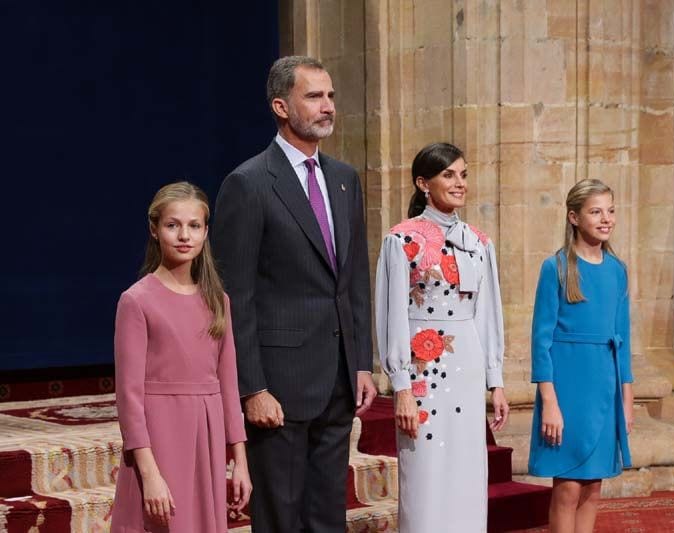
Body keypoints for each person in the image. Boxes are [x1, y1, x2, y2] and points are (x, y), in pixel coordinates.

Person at [211, 55, 377, 532]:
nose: (327, 107)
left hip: (340, 380)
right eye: (314, 96)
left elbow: (354, 282)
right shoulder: (248, 183)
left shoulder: (345, 179)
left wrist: (362, 362)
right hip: (279, 386)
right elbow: (234, 296)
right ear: (281, 106)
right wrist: (253, 388)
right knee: (282, 518)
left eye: (330, 96)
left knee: (329, 517)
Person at [374, 142, 509, 532]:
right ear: (423, 183)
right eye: (448, 174)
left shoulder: (480, 243)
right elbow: (391, 315)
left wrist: (495, 381)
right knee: (426, 473)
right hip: (422, 373)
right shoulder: (401, 241)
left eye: (463, 174)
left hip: (466, 367)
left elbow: (488, 315)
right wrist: (400, 385)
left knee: (467, 471)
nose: (459, 182)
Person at [112, 182, 251, 532]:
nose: (184, 235)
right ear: (154, 230)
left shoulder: (218, 300)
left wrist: (241, 461)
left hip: (206, 436)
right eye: (173, 225)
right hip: (159, 438)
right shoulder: (137, 301)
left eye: (194, 226)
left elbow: (229, 385)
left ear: (206, 232)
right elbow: (129, 398)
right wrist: (149, 473)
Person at [528, 178, 634, 532]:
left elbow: (624, 340)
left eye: (610, 210)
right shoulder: (556, 267)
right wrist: (549, 402)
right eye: (595, 212)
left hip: (605, 388)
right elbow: (540, 341)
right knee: (568, 487)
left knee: (593, 486)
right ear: (574, 217)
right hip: (567, 390)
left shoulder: (618, 270)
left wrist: (627, 400)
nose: (606, 219)